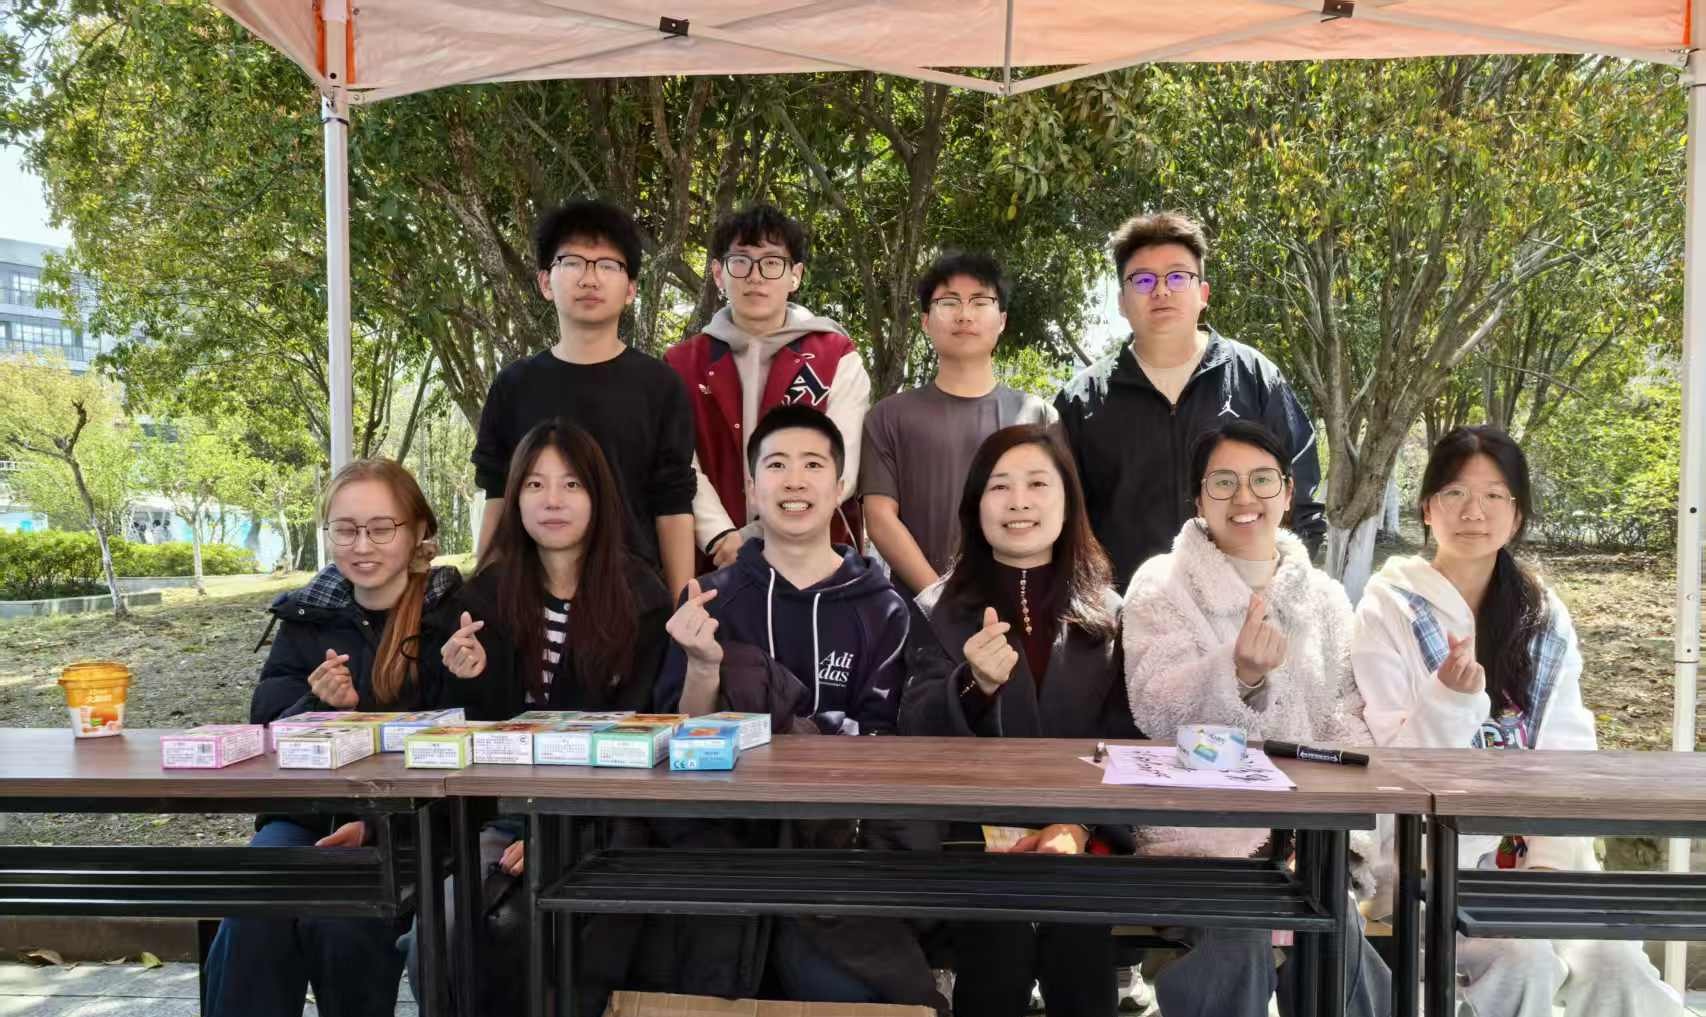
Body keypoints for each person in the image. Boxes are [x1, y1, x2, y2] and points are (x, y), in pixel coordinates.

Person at [1351, 425, 1681, 1017]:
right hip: (1430, 859)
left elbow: (1569, 749)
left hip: (1541, 855)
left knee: (1618, 965)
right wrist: (1449, 701)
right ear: (1427, 508)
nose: (1473, 512)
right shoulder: (1388, 604)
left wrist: (1547, 859)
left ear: (1517, 513)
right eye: (1454, 493)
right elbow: (1392, 762)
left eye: (1493, 495)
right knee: (1521, 956)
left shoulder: (1542, 614)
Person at [404, 419, 672, 1015]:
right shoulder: (482, 600)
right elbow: (462, 742)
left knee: (551, 925)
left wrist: (560, 832)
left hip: (607, 822)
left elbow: (643, 737)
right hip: (504, 821)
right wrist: (466, 679)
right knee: (444, 927)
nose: (552, 500)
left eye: (571, 484)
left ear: (599, 498)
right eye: (534, 485)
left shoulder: (641, 597)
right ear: (515, 499)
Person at [1120, 420, 1386, 1017]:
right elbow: (1156, 707)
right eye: (1224, 482)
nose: (1245, 497)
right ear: (1199, 499)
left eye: (1262, 480)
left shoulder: (1323, 597)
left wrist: (1323, 839)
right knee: (1239, 932)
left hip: (1308, 844)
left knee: (1334, 930)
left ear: (1288, 493)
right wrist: (1237, 675)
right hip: (1201, 840)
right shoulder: (1160, 585)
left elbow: (1346, 722)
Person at [656, 405, 919, 1006]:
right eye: (776, 465)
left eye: (812, 465)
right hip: (724, 851)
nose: (794, 481)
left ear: (841, 485)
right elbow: (679, 742)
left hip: (837, 857)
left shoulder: (884, 607)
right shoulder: (709, 599)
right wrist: (703, 666)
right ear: (751, 488)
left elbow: (883, 744)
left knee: (846, 990)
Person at [203, 459, 462, 1017]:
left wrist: (375, 826)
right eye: (345, 530)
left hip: (412, 832)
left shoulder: (453, 618)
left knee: (341, 921)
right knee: (254, 907)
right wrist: (318, 704)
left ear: (418, 530)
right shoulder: (307, 615)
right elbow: (265, 733)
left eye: (381, 528)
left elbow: (470, 747)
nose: (361, 546)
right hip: (304, 819)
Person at [901, 423, 1136, 1017]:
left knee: (1078, 934)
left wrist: (1075, 825)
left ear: (1068, 501)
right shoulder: (936, 609)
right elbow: (912, 730)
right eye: (1000, 486)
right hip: (970, 838)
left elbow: (1130, 735)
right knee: (997, 941)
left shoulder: (1111, 615)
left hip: (1085, 832)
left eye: (1037, 484)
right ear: (976, 505)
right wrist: (972, 685)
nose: (1019, 502)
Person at [1053, 211, 1324, 589]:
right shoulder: (1081, 402)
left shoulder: (1255, 378)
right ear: (1122, 302)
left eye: (1178, 277)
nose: (1161, 291)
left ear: (1203, 294)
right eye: (1143, 280)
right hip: (1126, 614)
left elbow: (1302, 503)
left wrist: (1277, 596)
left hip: (1245, 611)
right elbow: (1061, 524)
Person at [471, 198, 696, 595]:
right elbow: (498, 496)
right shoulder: (514, 385)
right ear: (545, 283)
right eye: (572, 262)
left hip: (633, 600)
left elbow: (673, 505)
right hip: (530, 601)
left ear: (630, 289)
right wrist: (481, 598)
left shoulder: (661, 386)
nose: (590, 279)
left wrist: (681, 606)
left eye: (608, 266)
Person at [663, 203, 869, 569]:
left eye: (772, 263)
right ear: (718, 273)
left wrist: (752, 538)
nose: (755, 277)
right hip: (715, 561)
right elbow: (681, 463)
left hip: (815, 562)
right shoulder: (682, 363)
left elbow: (842, 466)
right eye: (740, 261)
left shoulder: (836, 356)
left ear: (795, 275)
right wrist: (722, 537)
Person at [862, 252, 1054, 601]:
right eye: (949, 302)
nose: (965, 314)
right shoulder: (888, 417)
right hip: (921, 616)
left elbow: (1055, 515)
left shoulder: (1039, 417)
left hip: (1021, 607)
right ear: (925, 321)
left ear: (1002, 320)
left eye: (980, 302)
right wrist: (939, 601)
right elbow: (879, 517)